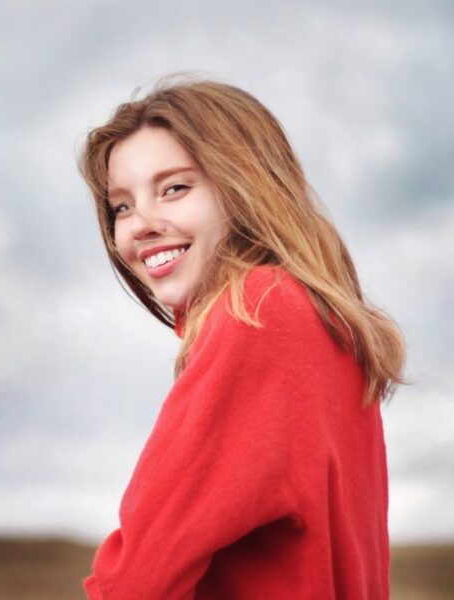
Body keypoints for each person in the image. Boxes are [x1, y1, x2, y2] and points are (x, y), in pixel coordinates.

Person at [76, 74, 408, 599]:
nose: (140, 224)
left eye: (175, 188)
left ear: (246, 186)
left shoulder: (259, 313)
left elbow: (138, 582)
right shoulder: (318, 318)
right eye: (122, 206)